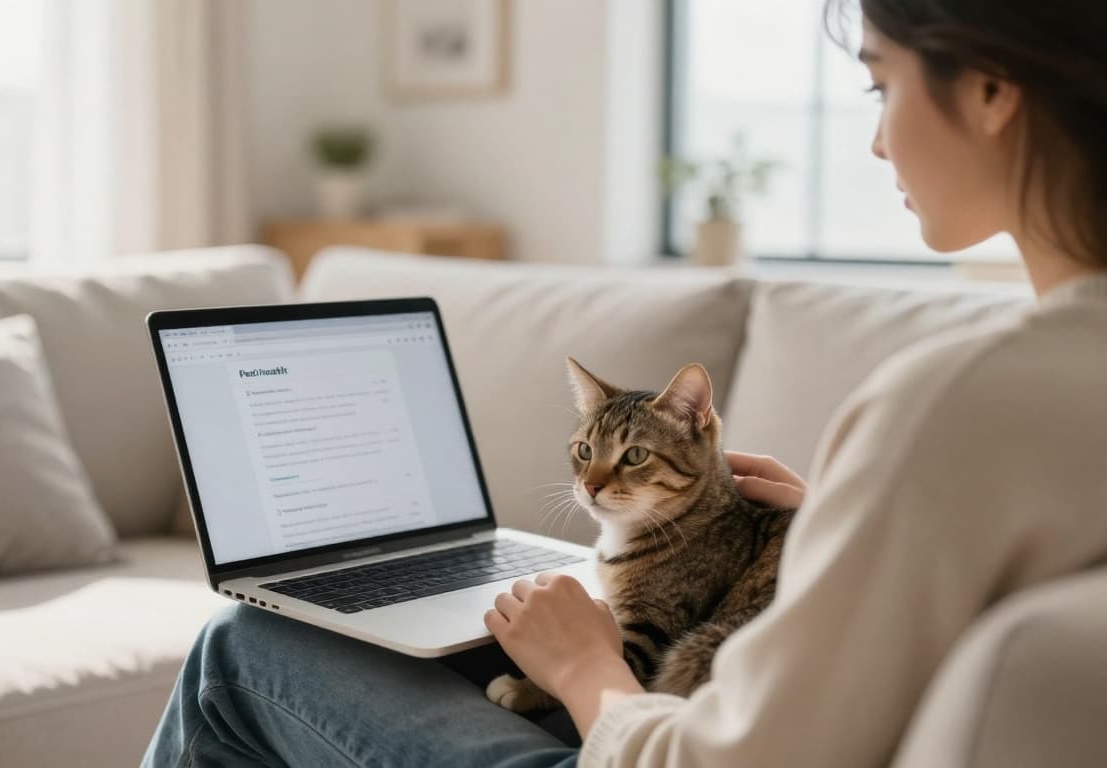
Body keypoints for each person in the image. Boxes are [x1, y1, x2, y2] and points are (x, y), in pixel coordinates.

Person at [142, 0, 1107, 764]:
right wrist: (849, 525)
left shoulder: (950, 406)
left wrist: (588, 664)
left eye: (879, 86)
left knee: (247, 647)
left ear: (991, 88)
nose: (878, 143)